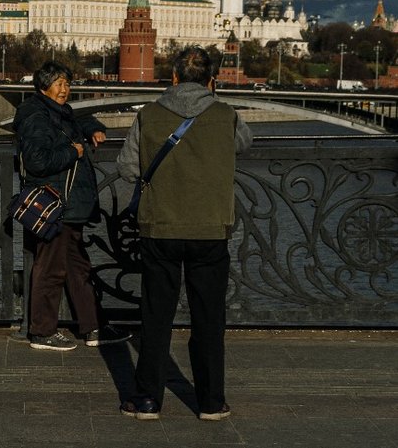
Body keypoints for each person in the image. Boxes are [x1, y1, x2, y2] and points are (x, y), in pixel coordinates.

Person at [116, 47, 252, 421]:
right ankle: (210, 402)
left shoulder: (148, 115)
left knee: (156, 315)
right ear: (212, 80)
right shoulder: (227, 115)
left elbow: (128, 169)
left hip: (158, 228)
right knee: (209, 318)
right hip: (210, 229)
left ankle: (146, 400)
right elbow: (243, 144)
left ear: (173, 78)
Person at [13, 61, 132, 351]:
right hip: (55, 203)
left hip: (69, 205)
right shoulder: (34, 116)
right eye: (59, 83)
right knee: (51, 267)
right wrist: (72, 151)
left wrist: (93, 128)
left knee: (79, 269)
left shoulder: (56, 111)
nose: (65, 89)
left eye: (67, 83)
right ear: (44, 87)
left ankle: (93, 327)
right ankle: (42, 331)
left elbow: (75, 122)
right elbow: (38, 161)